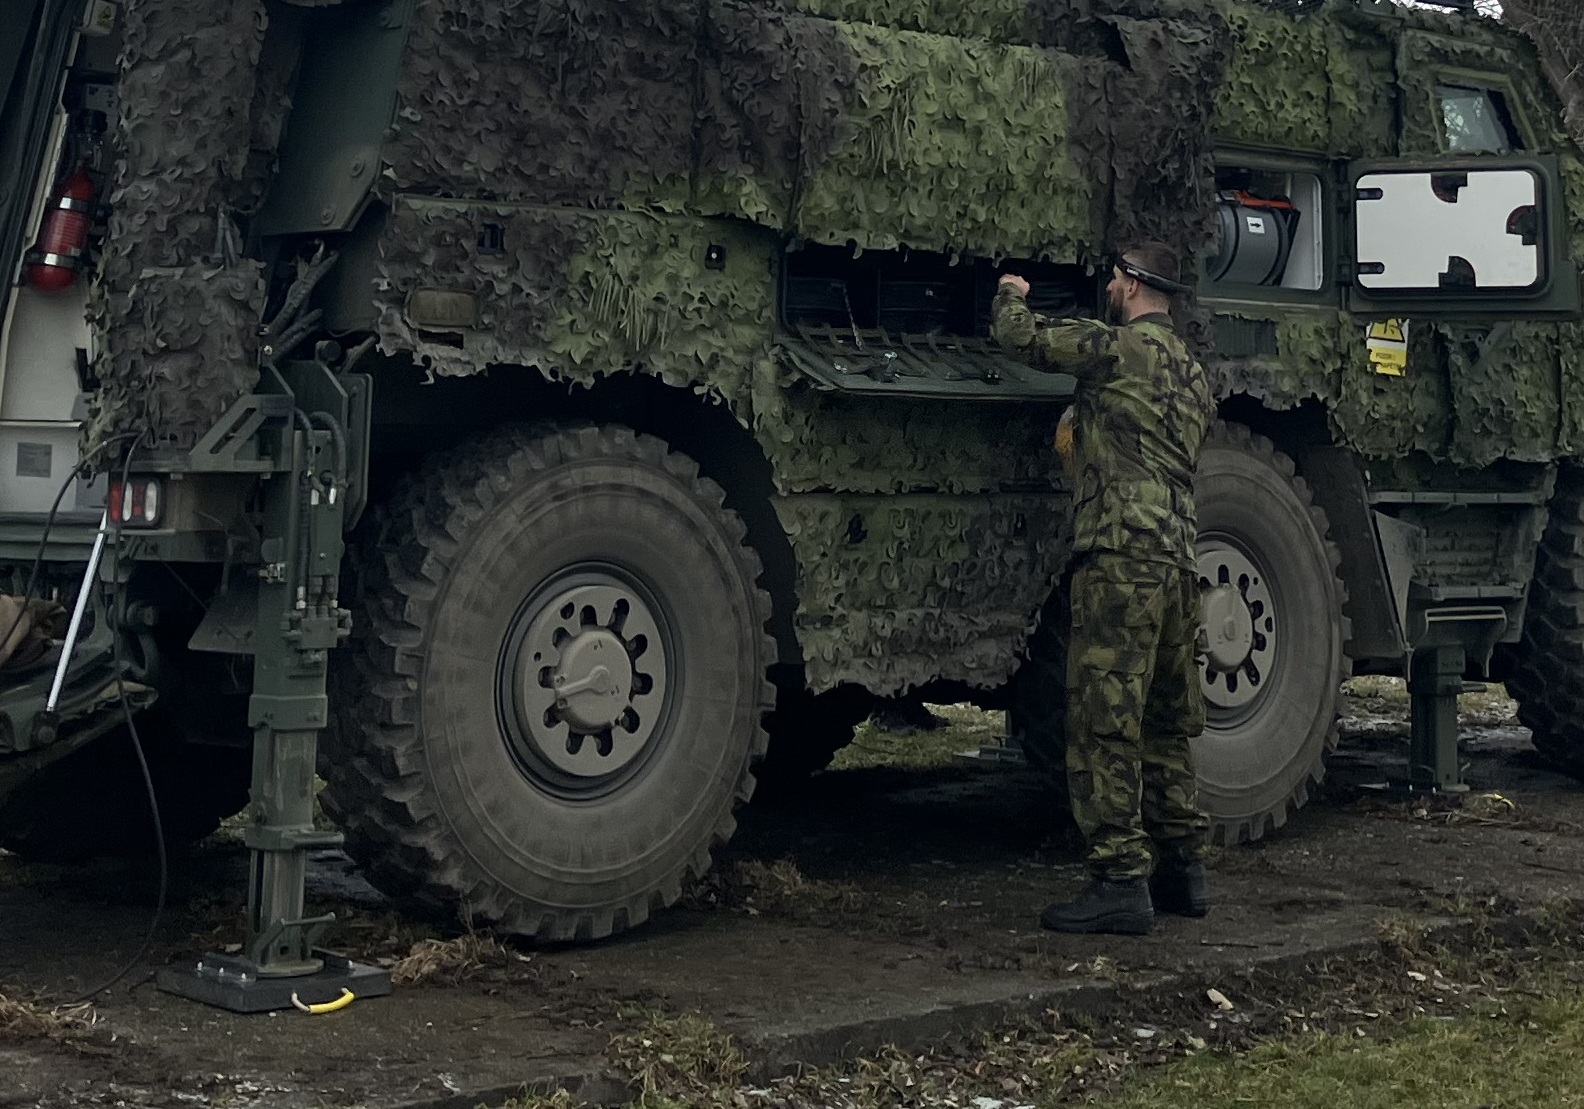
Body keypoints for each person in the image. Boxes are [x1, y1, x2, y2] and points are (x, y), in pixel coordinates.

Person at [991, 243, 1215, 935]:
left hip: (1120, 553)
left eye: (1118, 278)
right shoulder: (1195, 376)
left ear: (1140, 287)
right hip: (1179, 558)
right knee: (1168, 720)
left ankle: (1120, 877)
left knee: (1102, 717)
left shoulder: (1113, 349)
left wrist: (1009, 291)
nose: (1110, 286)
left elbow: (1020, 339)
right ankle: (1183, 868)